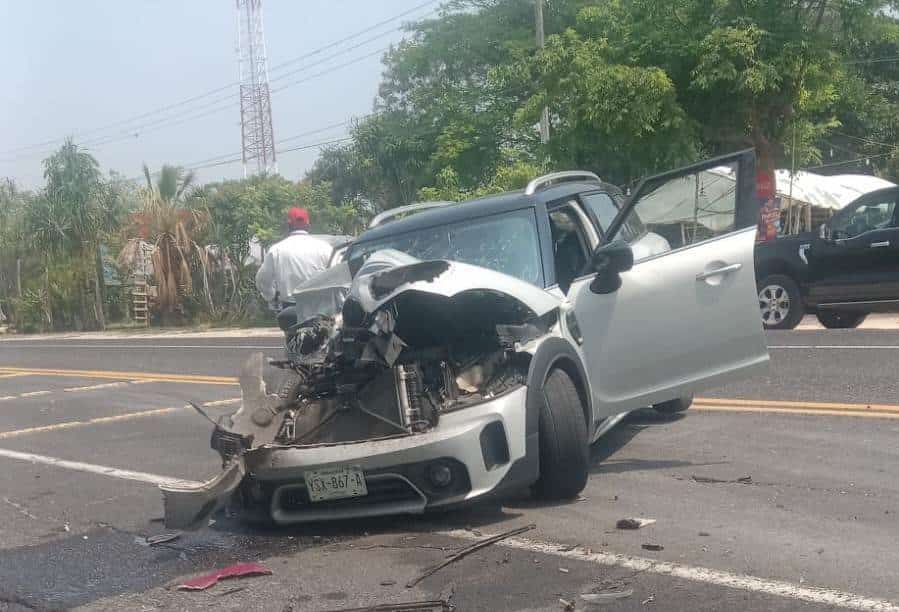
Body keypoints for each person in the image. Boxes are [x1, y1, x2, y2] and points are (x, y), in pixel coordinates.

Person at [255, 207, 334, 310]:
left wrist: (271, 296)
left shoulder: (276, 250)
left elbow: (262, 280)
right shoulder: (325, 248)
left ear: (288, 226)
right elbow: (339, 277)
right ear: (308, 226)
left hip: (290, 309)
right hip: (321, 309)